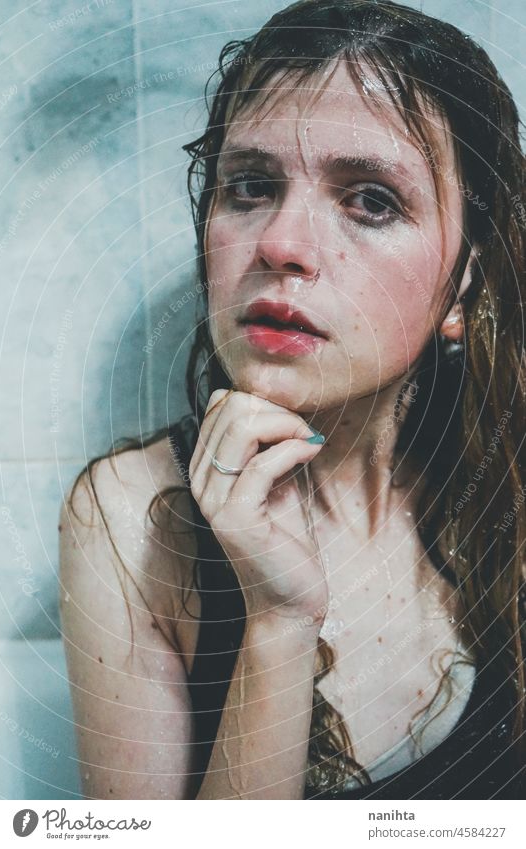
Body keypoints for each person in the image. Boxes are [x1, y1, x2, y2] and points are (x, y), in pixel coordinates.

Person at [59, 0, 526, 800]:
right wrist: (276, 621)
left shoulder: (510, 494)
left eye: (371, 200)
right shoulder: (130, 516)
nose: (280, 243)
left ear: (464, 283)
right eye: (248, 185)